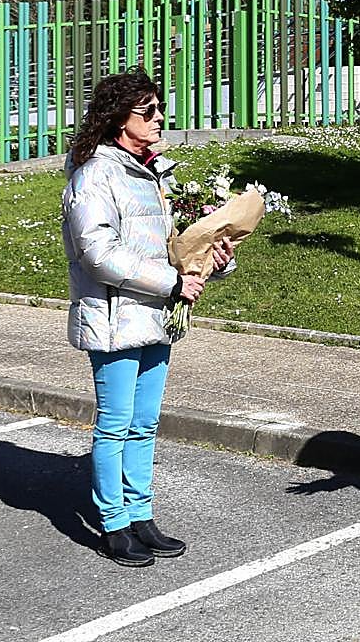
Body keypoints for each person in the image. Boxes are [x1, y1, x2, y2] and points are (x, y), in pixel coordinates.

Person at [61, 69, 235, 567]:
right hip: (115, 319)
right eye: (148, 112)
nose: (159, 119)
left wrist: (211, 262)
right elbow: (97, 254)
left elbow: (174, 245)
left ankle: (141, 515)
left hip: (155, 318)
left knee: (144, 423)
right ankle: (113, 523)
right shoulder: (95, 174)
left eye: (160, 109)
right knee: (115, 424)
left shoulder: (154, 173)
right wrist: (172, 283)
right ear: (119, 120)